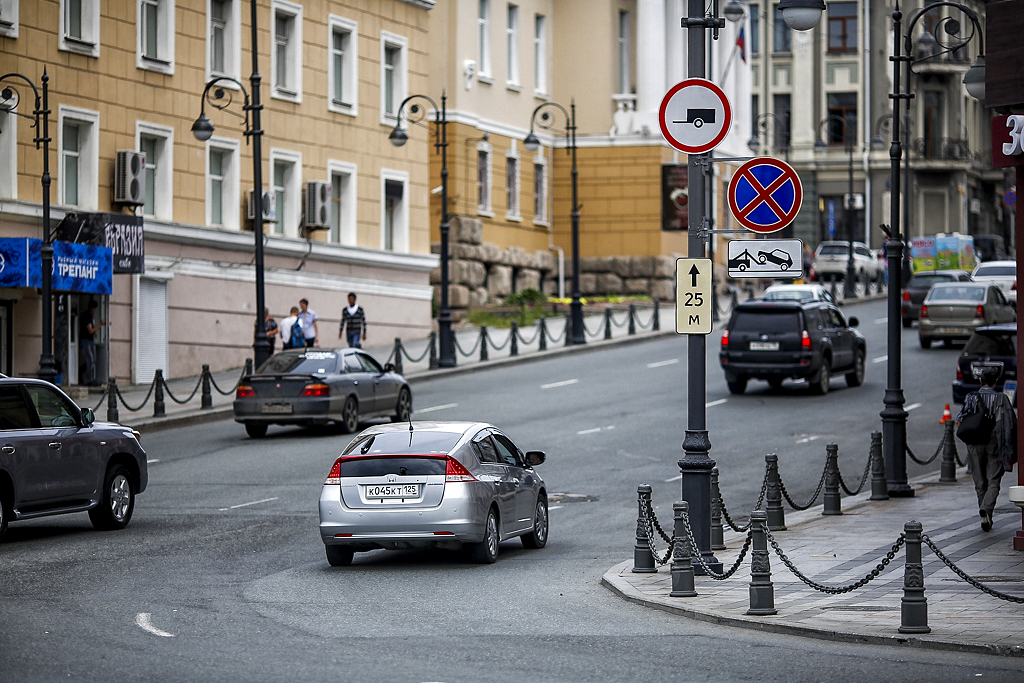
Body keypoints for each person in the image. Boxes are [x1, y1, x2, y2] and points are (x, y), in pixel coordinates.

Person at [955, 365, 1017, 532]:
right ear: (996, 381)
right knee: (994, 479)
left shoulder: (971, 397)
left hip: (974, 442)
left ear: (981, 380)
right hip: (994, 442)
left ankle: (984, 512)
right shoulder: (1001, 398)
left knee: (979, 480)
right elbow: (1010, 424)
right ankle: (987, 509)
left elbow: (959, 420)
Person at [79, 300, 105, 386]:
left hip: (90, 340)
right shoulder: (86, 316)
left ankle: (84, 374)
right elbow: (90, 330)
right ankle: (90, 380)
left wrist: (95, 332)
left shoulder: (91, 316)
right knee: (90, 359)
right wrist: (100, 325)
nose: (96, 310)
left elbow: (92, 329)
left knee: (92, 360)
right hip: (85, 340)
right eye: (95, 309)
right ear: (92, 308)